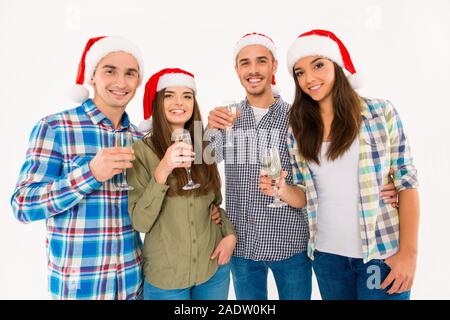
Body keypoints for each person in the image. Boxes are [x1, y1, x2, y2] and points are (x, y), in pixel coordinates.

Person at [260, 29, 420, 300]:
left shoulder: (380, 113)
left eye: (318, 65)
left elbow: (407, 183)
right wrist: (283, 190)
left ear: (337, 66)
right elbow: (304, 195)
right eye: (299, 72)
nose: (309, 78)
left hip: (379, 256)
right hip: (327, 258)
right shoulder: (298, 129)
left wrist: (408, 254)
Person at [11, 36, 146, 299]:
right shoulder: (56, 127)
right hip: (80, 289)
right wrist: (90, 174)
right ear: (92, 76)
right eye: (110, 71)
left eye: (130, 73)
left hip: (134, 285)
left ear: (138, 81)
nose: (121, 82)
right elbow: (23, 205)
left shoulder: (139, 140)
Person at [127, 68, 237, 300]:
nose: (179, 102)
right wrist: (163, 169)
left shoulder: (202, 146)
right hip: (167, 277)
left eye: (187, 96)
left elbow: (215, 203)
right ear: (158, 103)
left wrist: (229, 235)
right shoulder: (141, 151)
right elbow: (140, 222)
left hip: (213, 268)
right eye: (169, 95)